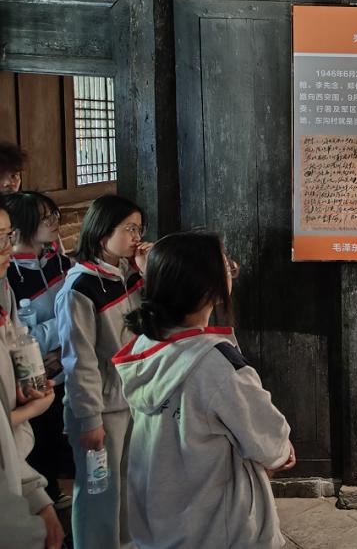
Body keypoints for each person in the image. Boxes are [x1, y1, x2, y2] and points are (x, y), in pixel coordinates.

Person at [113, 231, 294, 548]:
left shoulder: (145, 348)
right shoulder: (215, 363)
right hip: (217, 528)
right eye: (226, 266)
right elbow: (268, 439)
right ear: (207, 287)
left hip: (161, 522)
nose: (232, 270)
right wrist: (282, 451)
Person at [55, 194, 152, 549]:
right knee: (99, 492)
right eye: (129, 229)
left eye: (139, 229)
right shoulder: (79, 288)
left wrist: (148, 272)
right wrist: (89, 419)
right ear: (101, 233)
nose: (136, 237)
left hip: (132, 399)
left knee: (129, 484)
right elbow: (78, 361)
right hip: (100, 409)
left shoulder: (130, 274)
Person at [0, 202, 64, 548]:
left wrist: (38, 498)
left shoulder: (5, 289)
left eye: (7, 236)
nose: (7, 248)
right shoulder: (13, 278)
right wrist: (25, 412)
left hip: (14, 458)